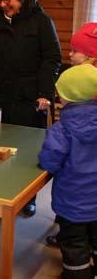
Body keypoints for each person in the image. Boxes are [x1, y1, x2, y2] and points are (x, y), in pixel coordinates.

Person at [0, 0, 62, 217]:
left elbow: (51, 59)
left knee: (26, 150)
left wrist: (45, 92)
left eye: (7, 0)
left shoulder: (42, 21)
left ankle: (27, 198)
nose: (2, 4)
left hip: (29, 97)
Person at [38, 64, 97, 279]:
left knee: (74, 247)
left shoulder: (62, 129)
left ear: (66, 98)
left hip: (73, 205)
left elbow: (49, 161)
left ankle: (78, 275)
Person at [46, 22, 97, 248]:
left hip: (73, 197)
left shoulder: (64, 127)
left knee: (74, 247)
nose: (70, 54)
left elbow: (51, 157)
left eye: (75, 50)